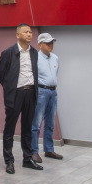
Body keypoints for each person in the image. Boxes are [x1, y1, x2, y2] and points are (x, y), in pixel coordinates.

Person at [0, 23, 42, 174]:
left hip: (31, 93)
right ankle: (9, 161)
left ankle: (27, 159)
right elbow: (1, 74)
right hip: (15, 94)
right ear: (18, 35)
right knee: (10, 128)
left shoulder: (34, 52)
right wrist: (10, 88)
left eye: (30, 32)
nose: (29, 34)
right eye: (26, 32)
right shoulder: (8, 52)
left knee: (27, 127)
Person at [31, 33, 63, 162]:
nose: (50, 45)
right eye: (47, 43)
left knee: (50, 123)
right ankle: (34, 151)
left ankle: (49, 149)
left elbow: (55, 74)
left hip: (53, 92)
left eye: (52, 42)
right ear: (39, 44)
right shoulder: (35, 58)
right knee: (36, 124)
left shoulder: (55, 58)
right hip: (41, 91)